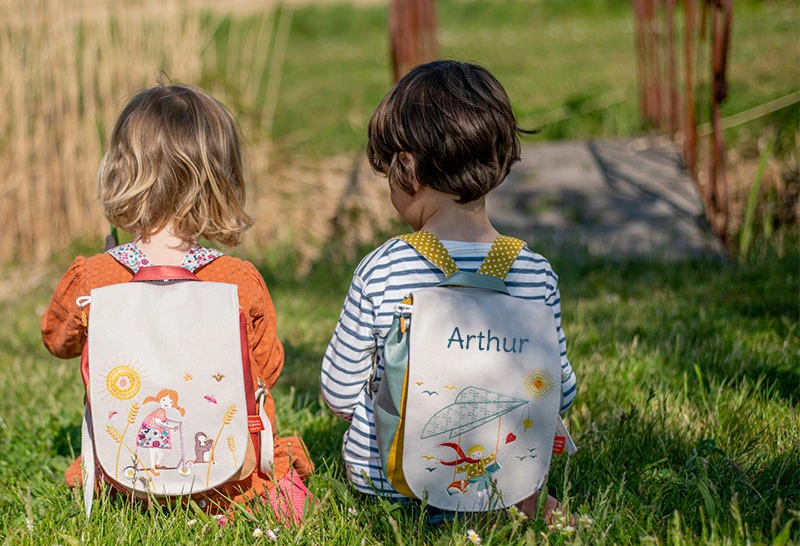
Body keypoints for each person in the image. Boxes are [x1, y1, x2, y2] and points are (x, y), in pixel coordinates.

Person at [320, 60, 577, 521]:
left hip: (390, 484)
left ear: (409, 170)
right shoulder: (534, 273)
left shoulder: (383, 268)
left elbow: (338, 393)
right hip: (504, 477)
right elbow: (562, 391)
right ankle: (508, 503)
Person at [42, 84, 312, 507]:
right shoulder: (237, 281)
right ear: (220, 183)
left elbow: (57, 339)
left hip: (125, 475)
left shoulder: (95, 279)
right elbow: (268, 369)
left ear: (121, 174)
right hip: (228, 478)